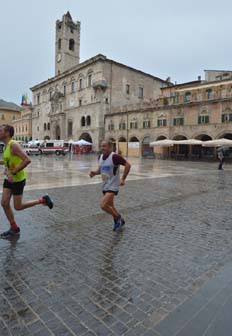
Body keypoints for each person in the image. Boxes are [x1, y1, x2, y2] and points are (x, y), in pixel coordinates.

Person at [0, 125, 53, 239]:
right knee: (4, 203)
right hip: (8, 178)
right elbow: (7, 162)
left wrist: (14, 172)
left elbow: (27, 160)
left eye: (0, 130)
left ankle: (43, 200)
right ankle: (14, 228)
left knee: (18, 207)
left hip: (17, 179)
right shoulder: (5, 147)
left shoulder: (13, 145)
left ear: (7, 133)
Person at [90, 140, 131, 231]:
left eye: (104, 146)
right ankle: (122, 220)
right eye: (101, 146)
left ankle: (117, 218)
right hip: (105, 186)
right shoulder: (100, 157)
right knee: (110, 206)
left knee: (103, 205)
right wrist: (94, 173)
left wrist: (123, 179)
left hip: (113, 185)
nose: (102, 148)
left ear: (110, 147)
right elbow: (101, 170)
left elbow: (128, 165)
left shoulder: (115, 157)